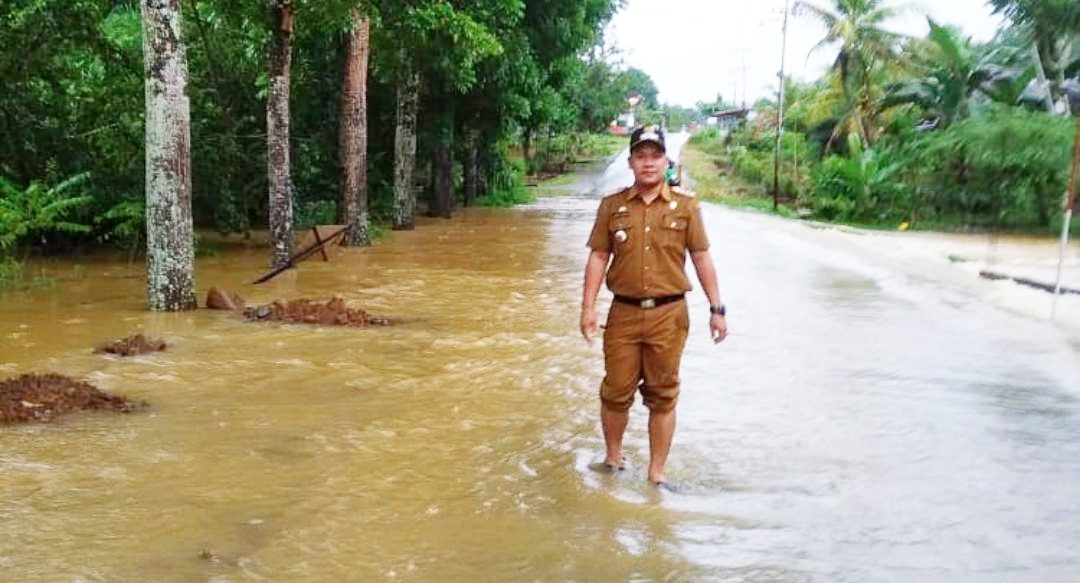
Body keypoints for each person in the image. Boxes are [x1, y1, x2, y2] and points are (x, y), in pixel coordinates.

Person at [580, 125, 727, 489]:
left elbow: (701, 257)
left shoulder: (687, 207)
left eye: (655, 156)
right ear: (630, 162)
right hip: (623, 313)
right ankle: (613, 459)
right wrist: (587, 308)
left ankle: (656, 473)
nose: (648, 163)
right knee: (616, 390)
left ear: (666, 161)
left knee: (663, 395)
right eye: (640, 156)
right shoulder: (612, 206)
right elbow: (598, 257)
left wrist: (717, 308)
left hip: (669, 315)